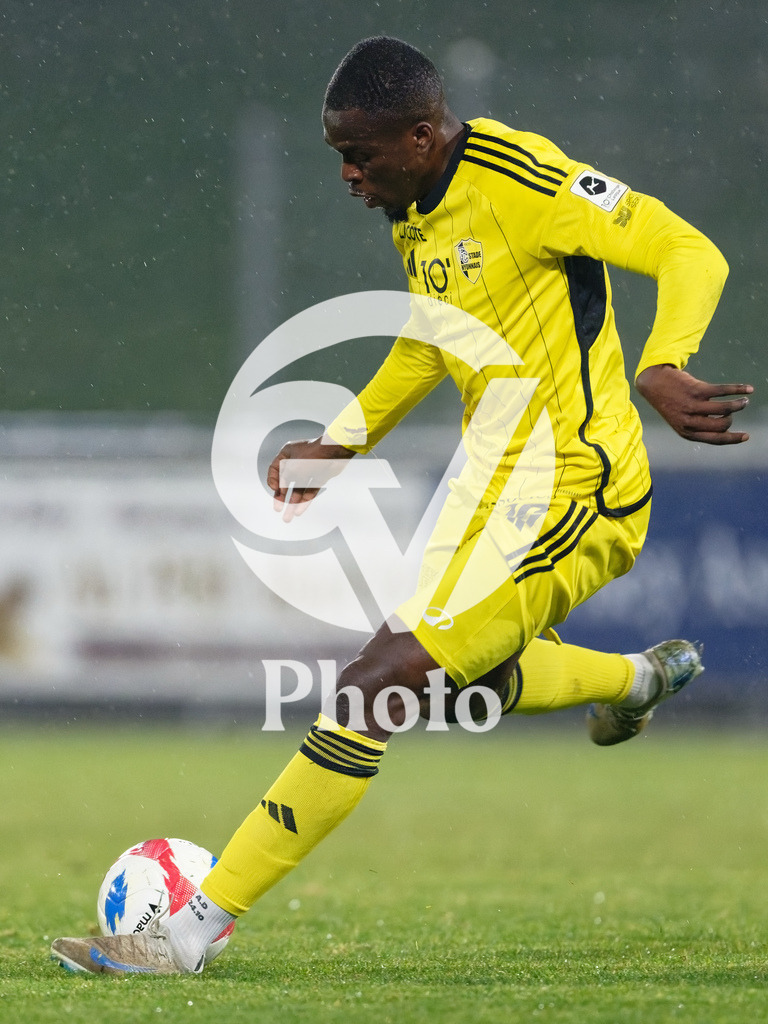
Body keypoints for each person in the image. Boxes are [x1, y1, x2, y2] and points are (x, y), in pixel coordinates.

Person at [51, 36, 753, 976]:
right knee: (458, 681)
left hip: (578, 489)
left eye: (361, 154)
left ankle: (185, 933)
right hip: (491, 494)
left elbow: (686, 249)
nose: (348, 174)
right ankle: (636, 680)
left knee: (374, 683)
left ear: (423, 136)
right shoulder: (417, 210)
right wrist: (342, 442)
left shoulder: (524, 180)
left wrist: (662, 360)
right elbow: (431, 339)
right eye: (338, 154)